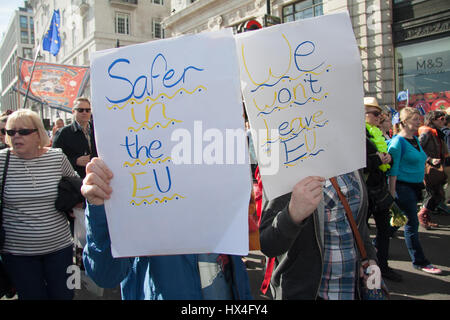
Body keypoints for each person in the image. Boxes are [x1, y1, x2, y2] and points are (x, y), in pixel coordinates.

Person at [80, 157, 253, 300]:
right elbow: (106, 274)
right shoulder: (133, 174)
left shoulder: (219, 170)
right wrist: (99, 209)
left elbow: (235, 270)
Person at [259, 170, 379, 300]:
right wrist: (293, 214)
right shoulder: (285, 167)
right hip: (308, 292)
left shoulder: (350, 161)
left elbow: (358, 223)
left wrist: (369, 257)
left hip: (352, 289)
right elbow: (267, 244)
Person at [0, 109, 79, 299]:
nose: (16, 136)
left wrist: (73, 203)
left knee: (65, 296)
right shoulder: (2, 161)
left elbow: (75, 184)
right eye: (11, 132)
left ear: (38, 134)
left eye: (23, 131)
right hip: (18, 253)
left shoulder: (57, 157)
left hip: (61, 248)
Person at [387, 107, 442, 274]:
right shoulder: (397, 143)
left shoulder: (415, 139)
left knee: (399, 221)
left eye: (419, 119)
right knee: (412, 224)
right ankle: (420, 261)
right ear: (404, 122)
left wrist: (431, 160)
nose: (419, 122)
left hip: (414, 186)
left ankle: (376, 244)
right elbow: (392, 171)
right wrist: (391, 195)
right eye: (415, 119)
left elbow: (421, 155)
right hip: (402, 188)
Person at [363, 97, 401, 282]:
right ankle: (366, 269)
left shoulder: (378, 133)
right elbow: (358, 165)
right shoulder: (357, 134)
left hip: (379, 189)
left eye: (381, 114)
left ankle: (383, 266)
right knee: (362, 233)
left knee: (385, 230)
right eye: (376, 114)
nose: (380, 117)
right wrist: (379, 159)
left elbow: (386, 155)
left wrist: (387, 158)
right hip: (365, 192)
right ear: (364, 114)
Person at [52, 97, 97, 179]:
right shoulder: (63, 133)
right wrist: (75, 161)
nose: (84, 112)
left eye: (87, 110)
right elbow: (54, 158)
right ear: (73, 111)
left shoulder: (97, 131)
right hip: (75, 181)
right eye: (80, 110)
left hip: (96, 177)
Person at [417, 110, 449, 225]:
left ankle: (426, 215)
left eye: (445, 119)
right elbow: (418, 148)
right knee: (432, 194)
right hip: (429, 168)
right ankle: (422, 215)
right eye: (441, 119)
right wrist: (430, 159)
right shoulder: (426, 132)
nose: (444, 121)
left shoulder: (437, 132)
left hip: (436, 167)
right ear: (433, 119)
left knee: (438, 194)